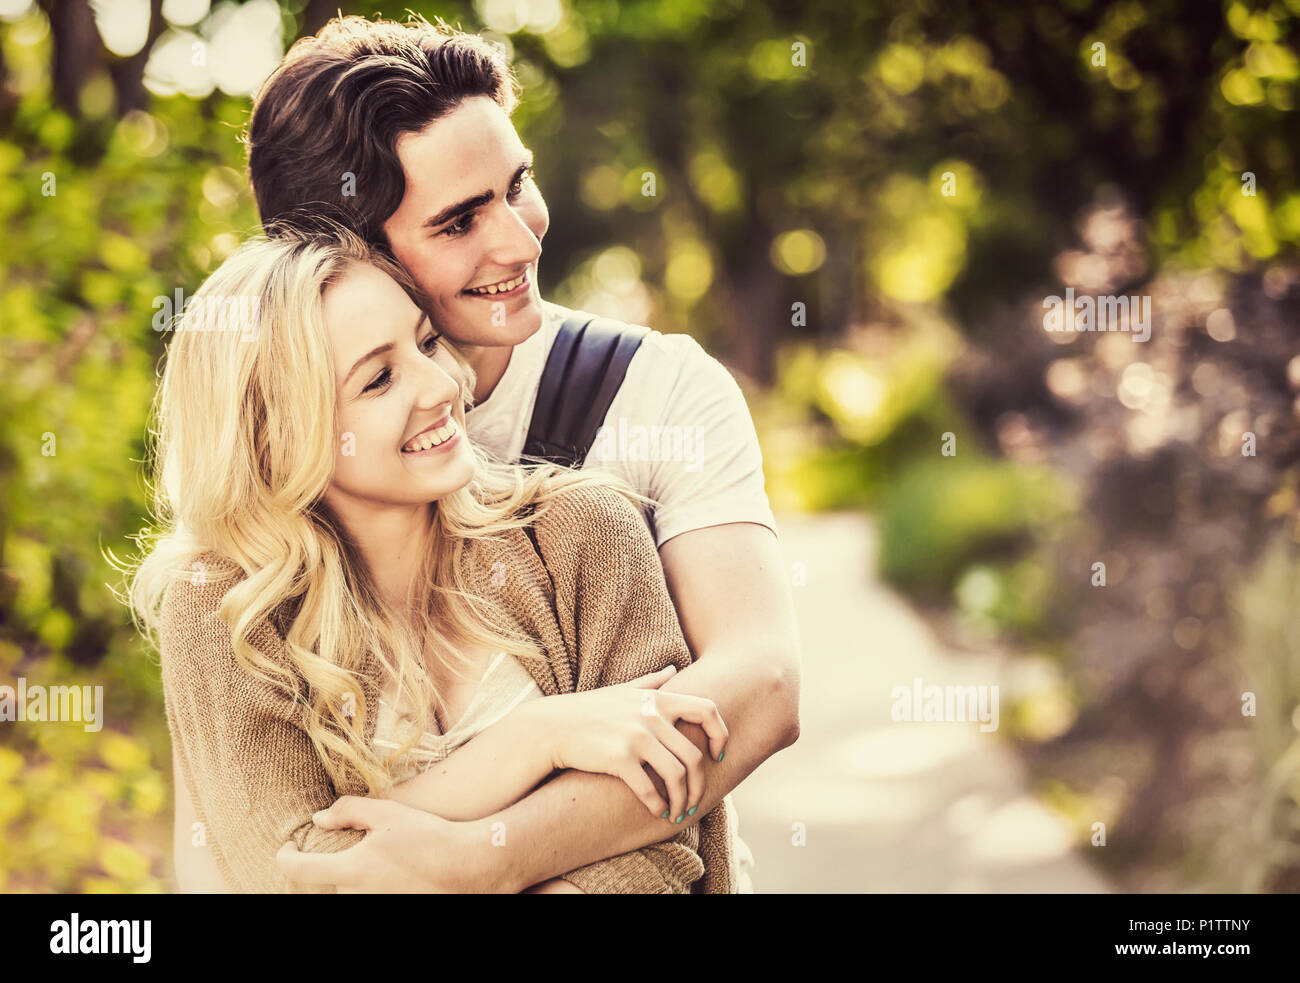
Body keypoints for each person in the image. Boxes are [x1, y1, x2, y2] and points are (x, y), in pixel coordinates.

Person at [245, 12, 801, 895]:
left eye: (518, 184)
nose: (520, 238)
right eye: (460, 220)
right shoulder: (286, 471)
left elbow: (761, 684)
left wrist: (476, 860)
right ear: (339, 257)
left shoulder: (656, 392)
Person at [126, 224, 748, 893]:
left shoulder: (583, 531)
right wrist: (535, 739)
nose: (441, 385)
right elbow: (292, 870)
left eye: (425, 342)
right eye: (380, 378)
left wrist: (455, 856)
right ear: (280, 438)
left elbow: (668, 827)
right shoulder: (226, 608)